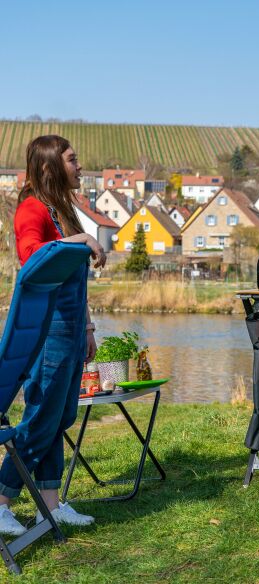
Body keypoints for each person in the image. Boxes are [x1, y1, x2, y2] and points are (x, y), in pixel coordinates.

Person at [0, 135, 107, 535]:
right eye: (72, 159)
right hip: (47, 331)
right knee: (42, 417)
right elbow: (32, 256)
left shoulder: (61, 211)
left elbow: (74, 281)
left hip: (71, 327)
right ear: (49, 167)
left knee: (59, 416)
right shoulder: (32, 209)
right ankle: (2, 499)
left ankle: (50, 503)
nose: (80, 166)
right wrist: (80, 239)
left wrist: (88, 328)